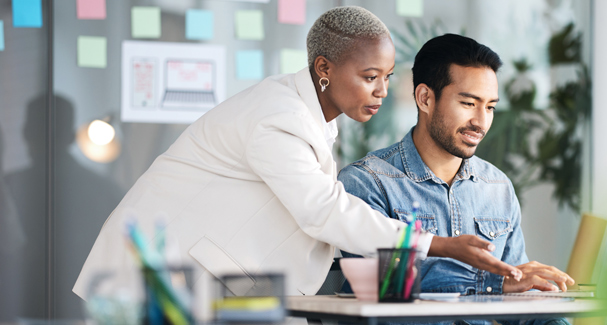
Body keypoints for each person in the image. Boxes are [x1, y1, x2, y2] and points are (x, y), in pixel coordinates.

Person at [73, 7, 522, 303]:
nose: (382, 91)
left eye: (386, 76)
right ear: (324, 68)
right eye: (369, 76)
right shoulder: (278, 116)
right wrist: (441, 245)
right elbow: (322, 211)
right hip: (153, 278)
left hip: (203, 282)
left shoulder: (313, 118)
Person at [337, 34, 574, 325]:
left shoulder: (497, 187)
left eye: (489, 107)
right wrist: (493, 283)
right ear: (425, 98)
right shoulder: (367, 182)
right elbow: (384, 294)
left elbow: (519, 295)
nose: (481, 121)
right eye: (468, 103)